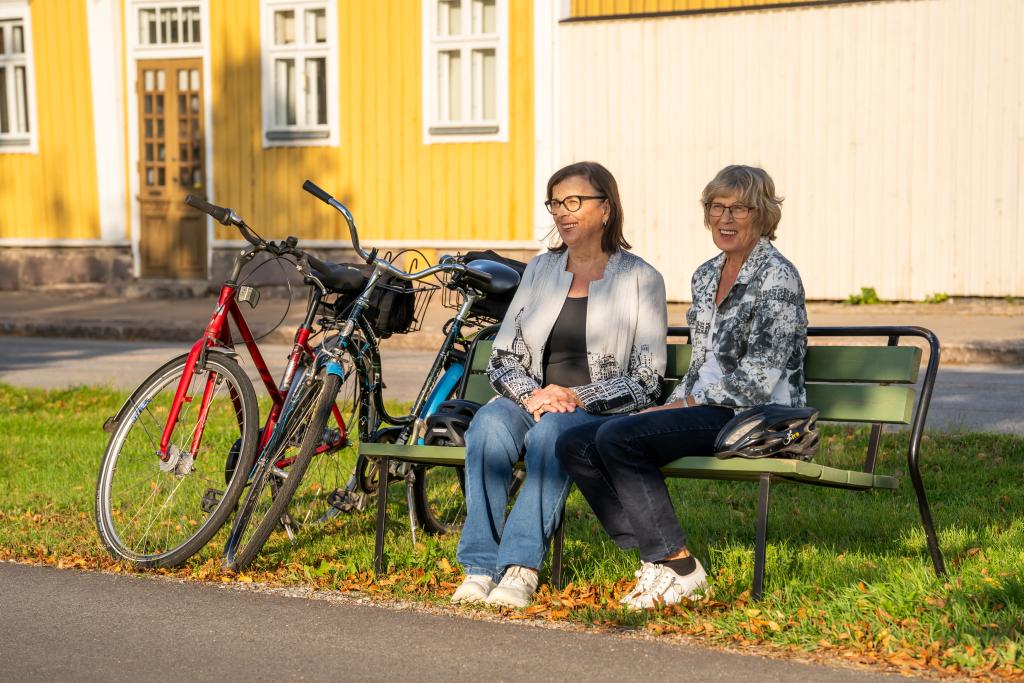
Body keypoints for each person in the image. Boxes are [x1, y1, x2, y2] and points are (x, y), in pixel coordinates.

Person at [556, 165, 808, 609]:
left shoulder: (777, 277)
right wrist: (670, 405)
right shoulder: (706, 275)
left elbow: (760, 377)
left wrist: (684, 404)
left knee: (619, 436)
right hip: (706, 408)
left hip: (754, 415)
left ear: (763, 214)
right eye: (717, 207)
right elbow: (700, 365)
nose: (725, 219)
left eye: (739, 209)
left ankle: (678, 567)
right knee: (575, 441)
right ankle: (661, 561)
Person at [452, 161, 667, 608]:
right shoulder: (540, 271)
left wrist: (573, 396)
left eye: (574, 201)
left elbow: (647, 380)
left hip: (596, 411)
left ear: (606, 208)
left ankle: (520, 568)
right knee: (489, 425)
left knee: (554, 433)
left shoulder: (641, 279)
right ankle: (478, 566)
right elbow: (504, 355)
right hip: (530, 399)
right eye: (555, 203)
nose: (563, 213)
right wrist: (533, 395)